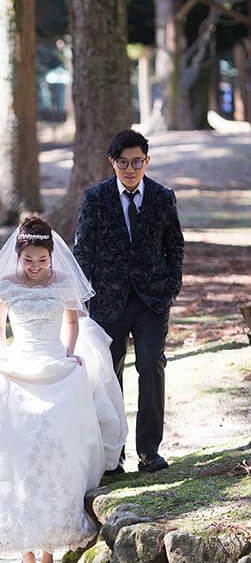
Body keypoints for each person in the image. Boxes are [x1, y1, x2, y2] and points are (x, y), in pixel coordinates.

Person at [0, 216, 127, 563]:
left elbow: (73, 324)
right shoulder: (5, 285)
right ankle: (26, 553)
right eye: (29, 260)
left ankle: (48, 556)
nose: (35, 267)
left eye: (41, 260)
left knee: (52, 456)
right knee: (17, 458)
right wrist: (3, 356)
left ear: (51, 256)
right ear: (19, 256)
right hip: (18, 366)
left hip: (54, 367)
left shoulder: (64, 283)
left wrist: (68, 355)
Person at [73, 129, 184, 474]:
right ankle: (113, 454)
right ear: (112, 162)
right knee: (109, 375)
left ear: (147, 161)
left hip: (152, 302)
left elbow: (175, 246)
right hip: (108, 302)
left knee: (152, 366)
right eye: (123, 162)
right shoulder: (96, 198)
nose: (131, 169)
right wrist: (84, 294)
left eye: (138, 162)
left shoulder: (163, 197)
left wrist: (170, 287)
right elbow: (83, 250)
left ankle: (149, 451)